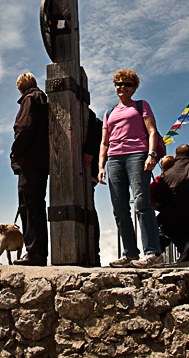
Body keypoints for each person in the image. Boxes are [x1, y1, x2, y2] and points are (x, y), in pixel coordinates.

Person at [98, 69, 163, 268]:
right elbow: (104, 142)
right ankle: (130, 254)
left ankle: (153, 253)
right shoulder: (109, 112)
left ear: (134, 87)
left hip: (137, 155)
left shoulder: (141, 106)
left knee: (142, 202)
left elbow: (152, 131)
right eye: (118, 83)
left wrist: (151, 154)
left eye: (126, 84)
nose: (121, 87)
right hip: (114, 159)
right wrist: (101, 165)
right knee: (120, 208)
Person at [10, 72, 49, 266]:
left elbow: (24, 128)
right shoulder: (43, 99)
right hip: (42, 161)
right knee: (37, 205)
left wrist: (15, 152)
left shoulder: (29, 100)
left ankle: (35, 253)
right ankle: (38, 252)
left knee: (29, 206)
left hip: (30, 161)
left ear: (20, 87)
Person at [83, 109, 102, 266]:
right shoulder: (87, 114)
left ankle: (93, 253)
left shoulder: (88, 115)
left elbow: (97, 137)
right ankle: (92, 254)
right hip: (84, 172)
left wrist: (89, 152)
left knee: (89, 210)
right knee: (89, 209)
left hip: (88, 171)